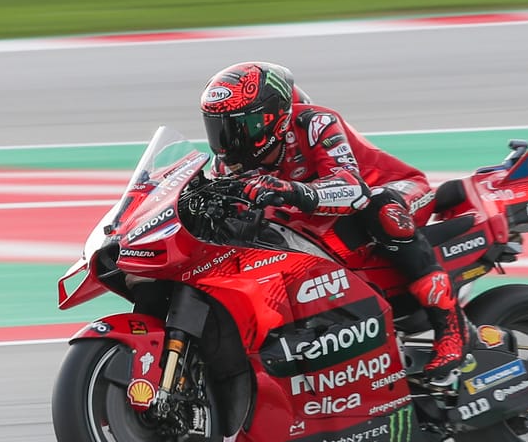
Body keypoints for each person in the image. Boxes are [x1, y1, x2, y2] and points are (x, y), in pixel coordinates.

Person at [198, 60, 469, 384]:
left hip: (395, 189)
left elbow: (354, 188)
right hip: (326, 219)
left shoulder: (315, 124)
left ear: (273, 118)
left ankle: (451, 328)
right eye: (220, 127)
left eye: (241, 125)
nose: (229, 138)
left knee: (384, 211)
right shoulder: (228, 161)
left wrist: (290, 190)